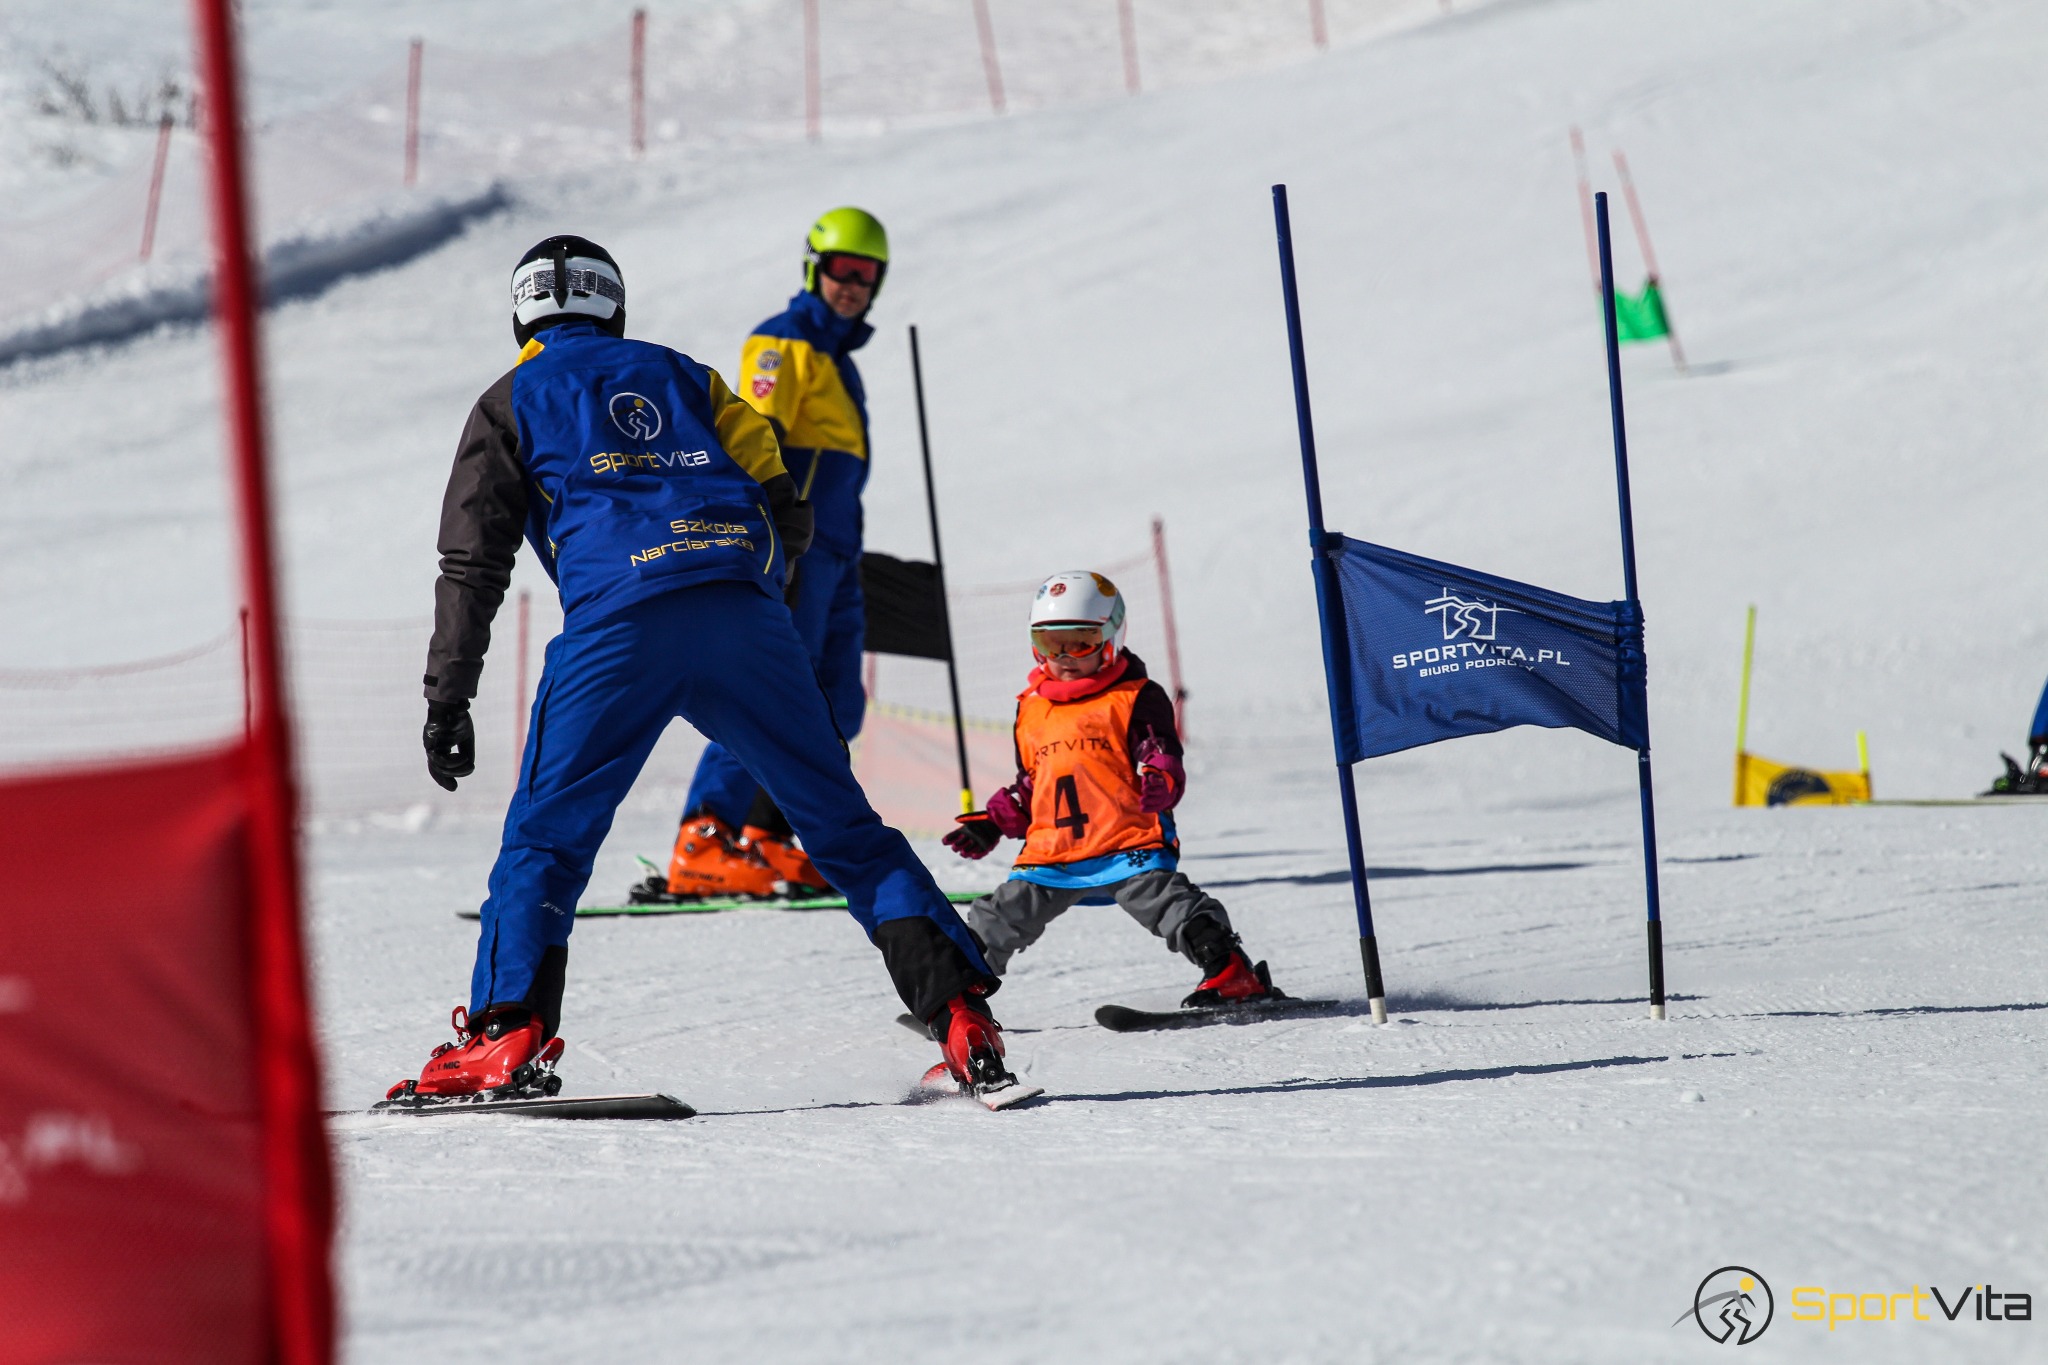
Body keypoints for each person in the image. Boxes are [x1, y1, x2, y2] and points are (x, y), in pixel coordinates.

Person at [389, 234, 1019, 1104]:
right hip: (744, 618)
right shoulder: (689, 376)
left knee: (547, 838)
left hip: (617, 630)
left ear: (521, 315)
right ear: (615, 308)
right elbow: (781, 495)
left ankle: (504, 1035)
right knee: (844, 829)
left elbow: (471, 566)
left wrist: (447, 697)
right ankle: (959, 1015)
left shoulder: (509, 401)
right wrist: (756, 587)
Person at [637, 207, 890, 903]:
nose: (852, 285)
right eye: (842, 269)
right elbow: (758, 438)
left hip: (840, 556)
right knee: (767, 694)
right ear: (815, 267)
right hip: (800, 552)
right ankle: (704, 836)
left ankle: (767, 834)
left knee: (837, 703)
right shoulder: (783, 344)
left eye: (867, 274)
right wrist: (768, 540)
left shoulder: (840, 361)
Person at [943, 571, 1283, 1006]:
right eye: (1051, 644)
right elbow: (1033, 783)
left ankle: (1232, 973)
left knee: (1169, 905)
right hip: (1053, 852)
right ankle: (956, 999)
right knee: (998, 917)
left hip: (1125, 841)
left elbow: (1158, 750)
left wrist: (1161, 776)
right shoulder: (1031, 708)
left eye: (1080, 642)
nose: (1065, 657)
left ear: (1110, 638)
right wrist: (992, 822)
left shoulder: (1133, 696)